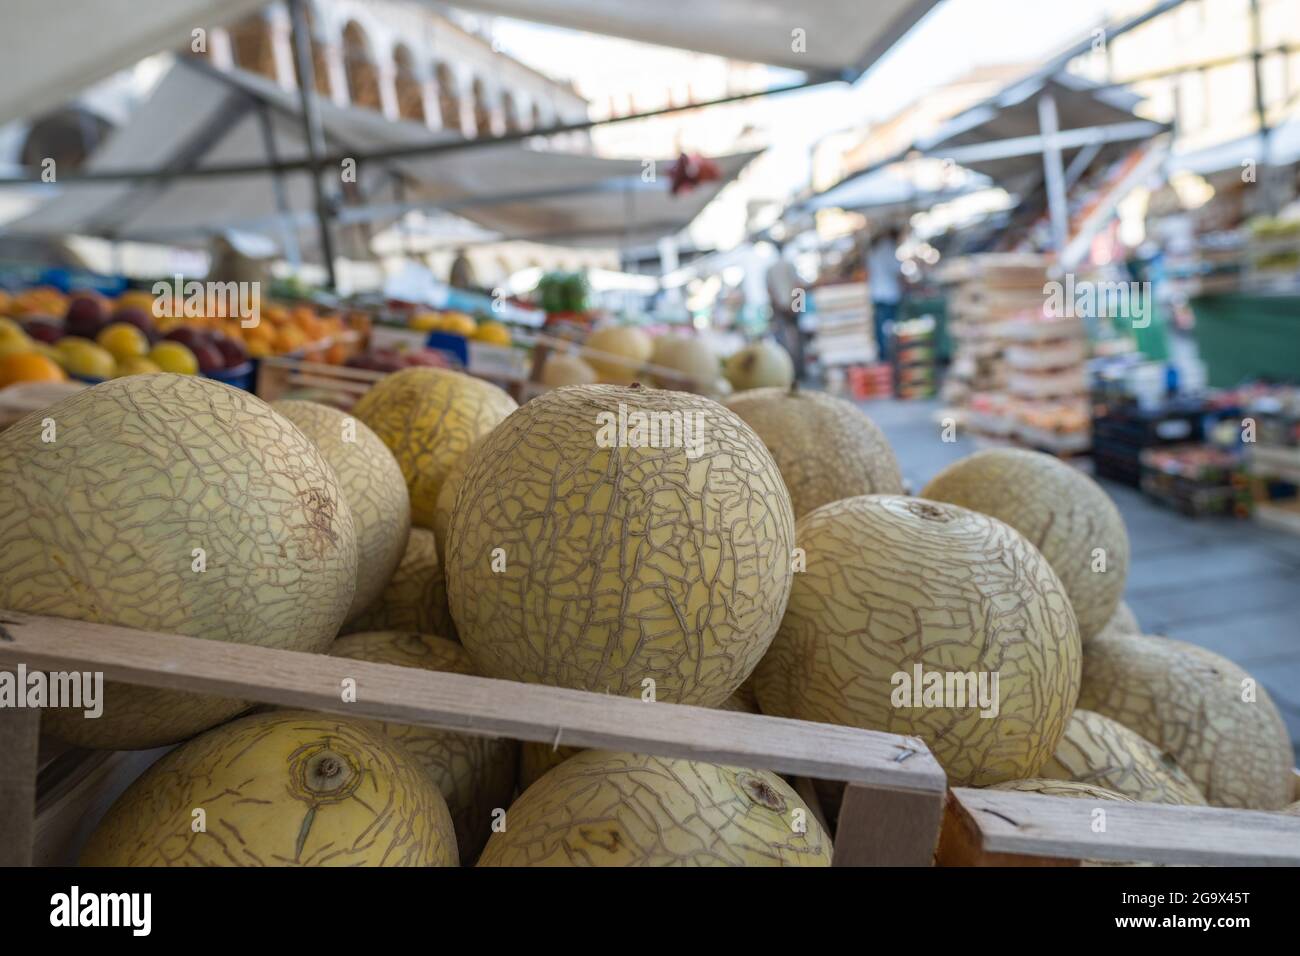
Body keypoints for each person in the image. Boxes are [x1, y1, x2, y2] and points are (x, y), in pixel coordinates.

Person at [867, 226, 904, 363]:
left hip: (877, 294)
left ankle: (884, 356)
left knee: (881, 328)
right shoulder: (888, 248)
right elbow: (897, 270)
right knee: (888, 328)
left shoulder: (874, 249)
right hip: (888, 294)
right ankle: (889, 357)